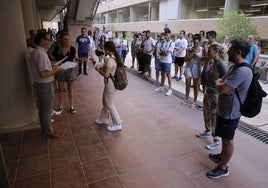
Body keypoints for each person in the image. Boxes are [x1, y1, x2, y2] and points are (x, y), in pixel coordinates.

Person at [207, 39, 252, 179]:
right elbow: (221, 80)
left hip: (231, 112)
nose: (227, 51)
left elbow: (221, 87)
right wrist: (221, 83)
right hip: (224, 109)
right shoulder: (234, 67)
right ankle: (222, 156)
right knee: (224, 136)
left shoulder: (242, 71)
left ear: (238, 52)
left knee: (227, 139)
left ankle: (223, 167)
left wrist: (222, 84)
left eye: (231, 49)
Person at [30, 31, 65, 138]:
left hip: (39, 84)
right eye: (49, 40)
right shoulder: (41, 54)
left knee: (43, 109)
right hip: (45, 84)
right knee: (47, 110)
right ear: (42, 40)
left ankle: (45, 129)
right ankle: (49, 132)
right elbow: (44, 74)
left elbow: (43, 70)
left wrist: (52, 65)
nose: (50, 42)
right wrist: (57, 70)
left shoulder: (36, 52)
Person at [196, 44, 228, 149]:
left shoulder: (221, 65)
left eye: (210, 51)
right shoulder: (211, 62)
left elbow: (227, 80)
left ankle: (216, 139)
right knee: (206, 112)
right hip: (208, 92)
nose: (208, 52)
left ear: (216, 52)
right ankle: (208, 131)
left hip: (215, 95)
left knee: (214, 116)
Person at [92, 41, 123, 132]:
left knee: (109, 103)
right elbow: (107, 68)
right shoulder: (113, 58)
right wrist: (99, 64)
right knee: (105, 101)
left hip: (110, 84)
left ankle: (118, 123)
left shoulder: (110, 60)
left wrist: (98, 69)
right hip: (110, 83)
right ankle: (103, 119)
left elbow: (106, 74)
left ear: (108, 49)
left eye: (104, 48)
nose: (103, 50)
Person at [52, 32, 78, 114]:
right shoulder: (57, 49)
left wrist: (81, 59)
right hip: (60, 70)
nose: (67, 41)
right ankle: (60, 105)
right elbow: (49, 53)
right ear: (61, 40)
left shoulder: (72, 49)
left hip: (69, 70)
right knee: (61, 89)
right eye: (65, 39)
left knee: (70, 89)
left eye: (68, 39)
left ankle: (71, 106)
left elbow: (76, 58)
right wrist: (56, 61)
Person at [181, 37, 204, 108]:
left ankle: (194, 101)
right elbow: (185, 60)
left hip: (197, 67)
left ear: (199, 43)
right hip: (189, 66)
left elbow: (203, 60)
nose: (196, 44)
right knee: (187, 83)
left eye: (197, 43)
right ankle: (186, 99)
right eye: (195, 43)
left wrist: (198, 57)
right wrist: (190, 57)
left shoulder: (202, 50)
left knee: (195, 85)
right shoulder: (190, 49)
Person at [154, 29, 175, 96]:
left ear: (170, 35)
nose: (166, 36)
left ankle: (170, 89)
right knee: (163, 74)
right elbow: (160, 52)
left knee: (168, 75)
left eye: (167, 35)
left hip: (167, 62)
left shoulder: (172, 43)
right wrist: (164, 52)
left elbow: (167, 53)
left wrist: (164, 52)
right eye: (165, 35)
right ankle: (161, 86)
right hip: (162, 60)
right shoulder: (163, 42)